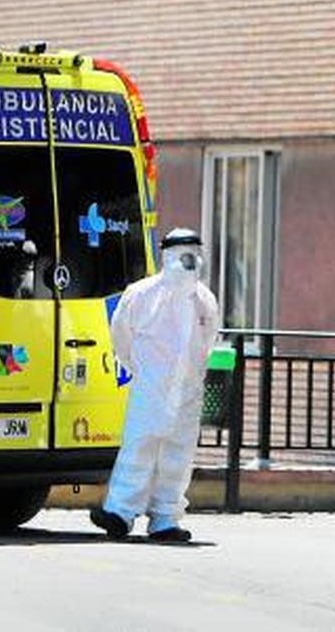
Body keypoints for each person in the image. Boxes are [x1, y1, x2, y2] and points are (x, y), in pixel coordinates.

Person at [90, 227, 221, 542]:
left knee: (178, 456)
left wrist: (192, 377)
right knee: (139, 448)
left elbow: (208, 339)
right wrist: (138, 368)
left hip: (187, 393)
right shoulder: (142, 293)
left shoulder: (204, 299)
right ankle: (119, 513)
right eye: (182, 252)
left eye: (193, 251)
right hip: (151, 387)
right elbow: (120, 335)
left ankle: (165, 519)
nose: (189, 259)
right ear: (167, 255)